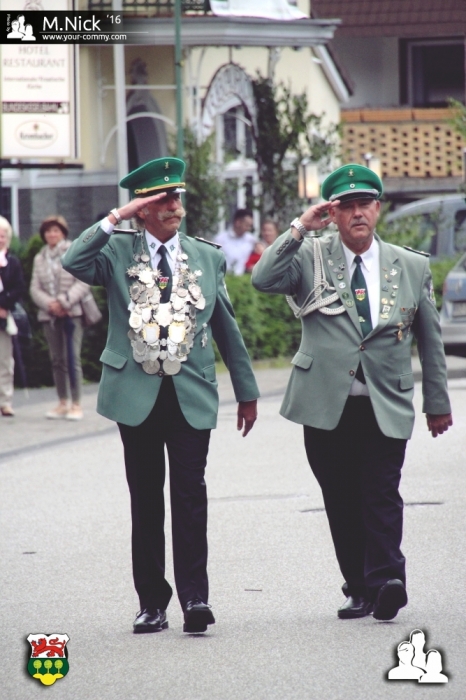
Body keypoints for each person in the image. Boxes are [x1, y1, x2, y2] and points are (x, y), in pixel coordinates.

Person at [62, 157, 259, 634]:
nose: (174, 206)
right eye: (163, 199)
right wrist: (116, 217)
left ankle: (195, 599)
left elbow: (226, 327)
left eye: (177, 197)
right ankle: (152, 602)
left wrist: (247, 391)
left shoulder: (206, 256)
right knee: (146, 499)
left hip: (191, 394)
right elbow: (73, 261)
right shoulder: (116, 251)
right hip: (136, 395)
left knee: (190, 497)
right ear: (143, 208)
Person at [252, 163, 452, 621]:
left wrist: (437, 403)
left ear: (377, 209)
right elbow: (263, 279)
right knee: (341, 497)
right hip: (326, 402)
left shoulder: (411, 265)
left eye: (365, 204)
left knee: (382, 493)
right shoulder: (311, 257)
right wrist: (301, 227)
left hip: (385, 401)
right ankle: (359, 587)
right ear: (334, 214)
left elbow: (430, 340)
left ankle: (387, 581)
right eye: (347, 207)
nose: (357, 213)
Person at [30, 215, 90, 421]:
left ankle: (76, 403)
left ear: (63, 233)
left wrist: (64, 302)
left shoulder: (74, 250)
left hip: (72, 313)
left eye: (55, 230)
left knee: (72, 358)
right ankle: (62, 401)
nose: (52, 234)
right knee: (57, 360)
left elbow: (83, 281)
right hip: (49, 315)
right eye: (48, 231)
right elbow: (34, 288)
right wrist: (51, 304)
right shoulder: (40, 258)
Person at [0, 216, 25, 417]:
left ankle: (5, 401)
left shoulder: (13, 262)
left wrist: (4, 305)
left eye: (2, 235)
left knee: (5, 361)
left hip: (3, 317)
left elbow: (18, 288)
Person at [214, 208, 256, 275]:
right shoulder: (220, 239)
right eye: (246, 225)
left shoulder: (251, 240)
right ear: (238, 222)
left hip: (245, 278)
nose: (248, 228)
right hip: (224, 277)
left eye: (250, 226)